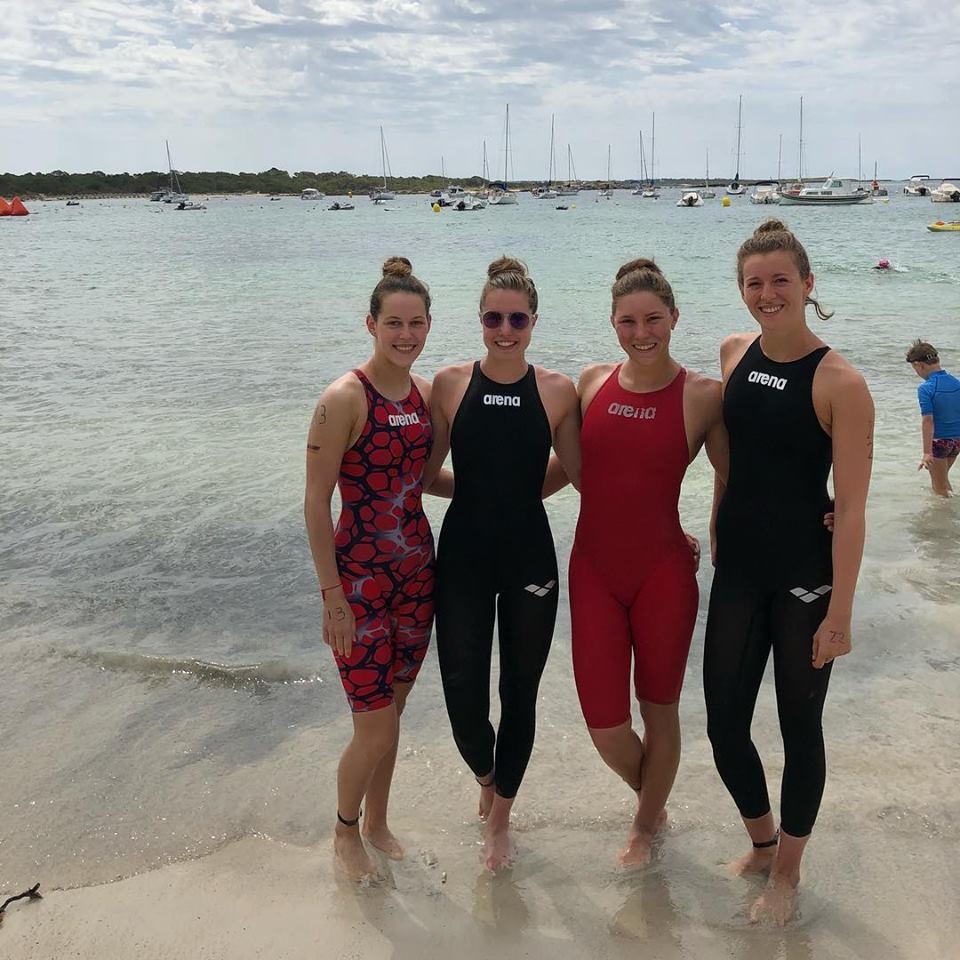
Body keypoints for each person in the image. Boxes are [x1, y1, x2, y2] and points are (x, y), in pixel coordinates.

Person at [704, 219, 874, 924]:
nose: (767, 293)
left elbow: (855, 512)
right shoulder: (733, 351)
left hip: (807, 577)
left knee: (799, 727)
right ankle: (763, 839)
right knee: (723, 725)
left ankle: (790, 874)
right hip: (740, 567)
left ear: (808, 284)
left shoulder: (842, 382)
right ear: (741, 289)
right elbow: (730, 457)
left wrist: (841, 616)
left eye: (781, 280)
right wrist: (713, 524)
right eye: (754, 282)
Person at [567, 259, 728, 867]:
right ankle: (655, 802)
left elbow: (739, 482)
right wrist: (484, 496)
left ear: (674, 319)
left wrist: (824, 511)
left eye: (654, 319)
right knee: (606, 725)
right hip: (594, 572)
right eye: (629, 321)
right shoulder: (589, 383)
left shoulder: (704, 396)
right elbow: (577, 472)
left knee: (659, 710)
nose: (642, 332)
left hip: (664, 572)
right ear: (612, 323)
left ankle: (643, 826)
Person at [424, 256, 580, 872]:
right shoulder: (450, 383)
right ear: (480, 320)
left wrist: (517, 494)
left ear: (534, 322)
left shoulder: (558, 391)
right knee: (463, 695)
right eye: (494, 317)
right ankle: (486, 775)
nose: (505, 328)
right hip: (462, 553)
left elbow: (577, 469)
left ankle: (501, 819)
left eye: (517, 318)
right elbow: (422, 469)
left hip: (529, 557)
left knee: (521, 693)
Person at [304, 257, 446, 882]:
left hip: (417, 576)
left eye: (416, 323)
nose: (406, 334)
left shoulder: (419, 396)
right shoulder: (344, 399)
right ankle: (342, 833)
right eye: (394, 323)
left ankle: (378, 822)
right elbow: (315, 501)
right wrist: (331, 594)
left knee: (394, 715)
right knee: (373, 726)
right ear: (371, 324)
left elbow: (417, 481)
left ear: (428, 325)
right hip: (359, 584)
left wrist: (502, 492)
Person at [906, 340, 960, 496]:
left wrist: (926, 452)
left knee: (940, 487)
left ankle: (949, 516)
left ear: (919, 365)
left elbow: (927, 420)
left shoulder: (926, 388)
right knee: (942, 481)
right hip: (957, 441)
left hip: (940, 442)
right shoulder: (957, 383)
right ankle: (945, 516)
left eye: (914, 369)